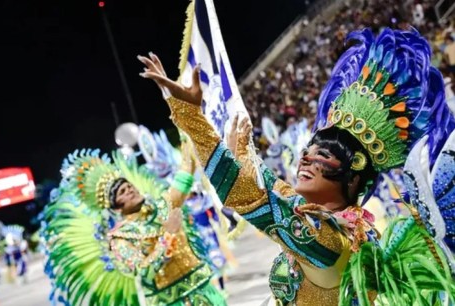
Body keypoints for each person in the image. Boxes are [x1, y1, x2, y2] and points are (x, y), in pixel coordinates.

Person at [139, 27, 455, 305]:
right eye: (307, 150)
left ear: (353, 172)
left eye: (322, 153)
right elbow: (269, 186)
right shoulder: (325, 219)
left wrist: (192, 116)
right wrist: (244, 152)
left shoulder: (328, 237)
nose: (304, 157)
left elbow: (251, 197)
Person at [42, 141, 227, 305]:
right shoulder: (120, 238)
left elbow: (183, 181)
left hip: (205, 291)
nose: (129, 190)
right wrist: (167, 236)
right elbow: (144, 270)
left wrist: (188, 138)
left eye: (128, 185)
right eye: (122, 192)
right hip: (171, 301)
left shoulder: (161, 207)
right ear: (116, 208)